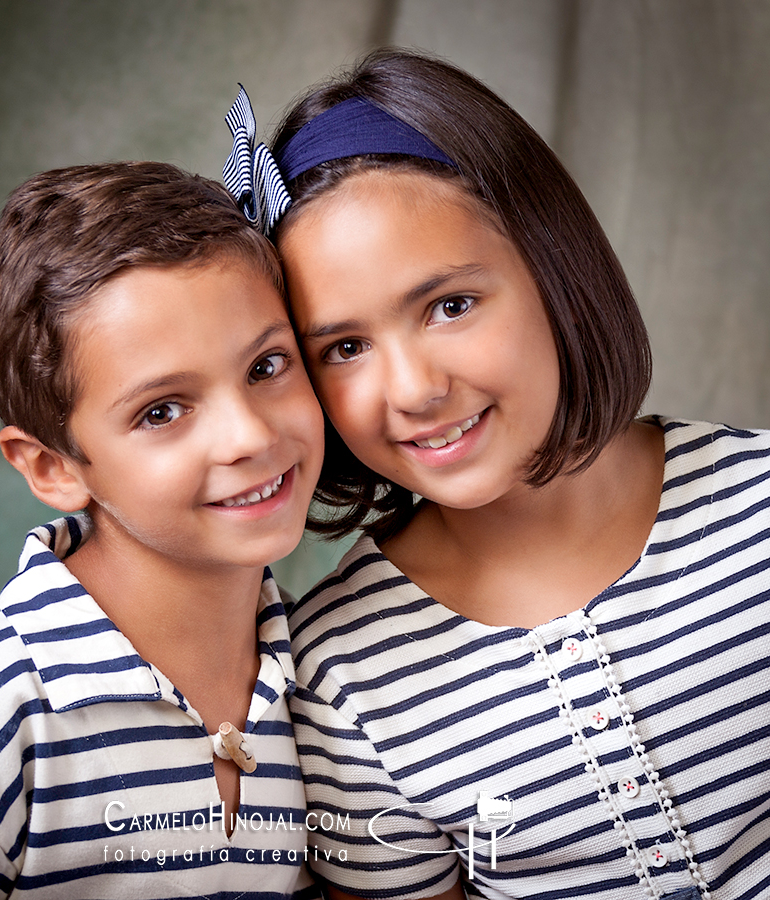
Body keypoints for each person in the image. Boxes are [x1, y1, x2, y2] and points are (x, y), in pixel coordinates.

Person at [221, 51, 770, 900]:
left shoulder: (756, 504)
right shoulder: (340, 672)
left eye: (450, 305)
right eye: (345, 348)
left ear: (552, 267)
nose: (414, 390)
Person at [0, 161, 326, 898]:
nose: (248, 434)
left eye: (267, 365)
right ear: (54, 468)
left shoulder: (316, 674)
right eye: (162, 410)